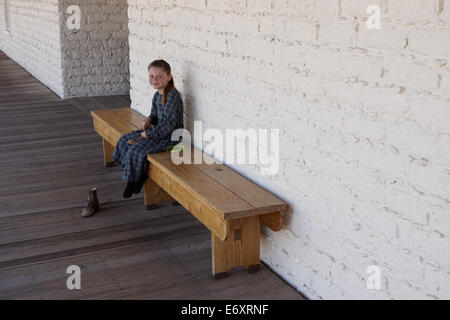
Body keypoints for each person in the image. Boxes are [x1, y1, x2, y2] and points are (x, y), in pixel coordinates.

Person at [112, 59, 184, 198]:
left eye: (159, 76)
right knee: (123, 140)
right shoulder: (158, 95)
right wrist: (148, 120)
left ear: (169, 77)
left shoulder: (172, 97)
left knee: (136, 150)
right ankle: (136, 175)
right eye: (151, 76)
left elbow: (168, 126)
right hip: (157, 131)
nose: (154, 79)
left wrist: (147, 134)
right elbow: (154, 115)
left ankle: (135, 179)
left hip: (170, 137)